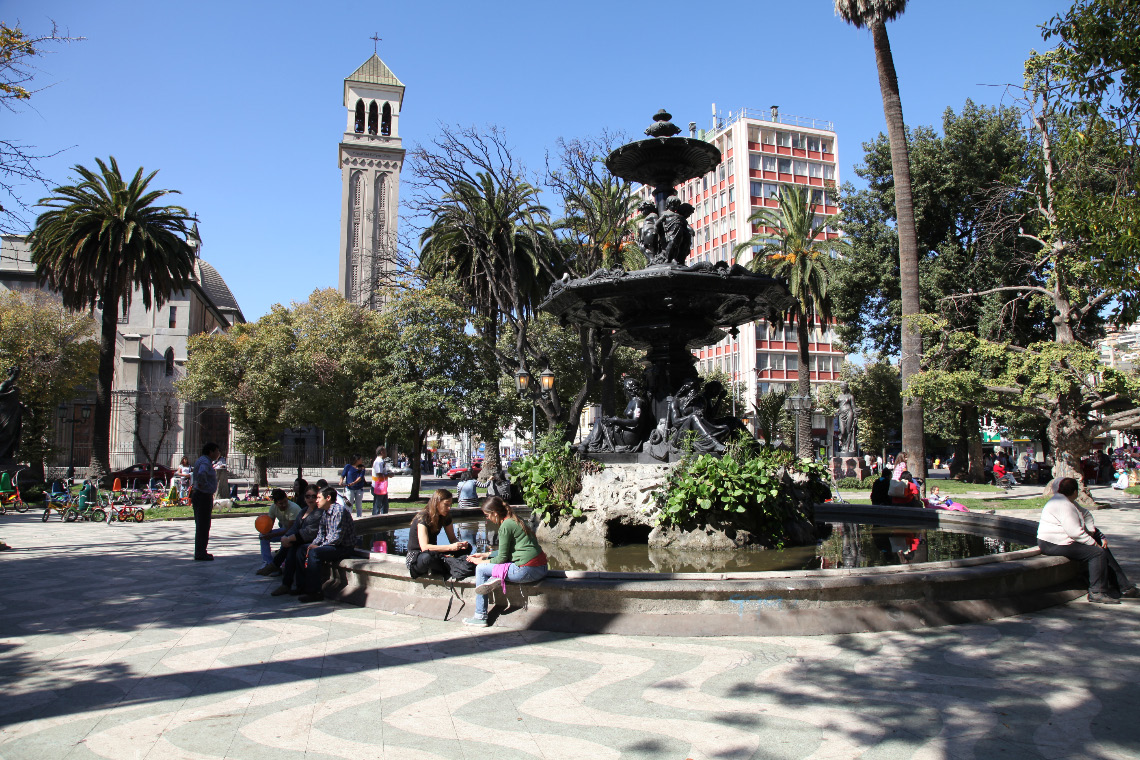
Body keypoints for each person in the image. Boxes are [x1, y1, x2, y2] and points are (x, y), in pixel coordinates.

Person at [1037, 477, 1137, 604]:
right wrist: (1093, 543)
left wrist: (1095, 534)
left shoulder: (1068, 501)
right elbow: (1074, 532)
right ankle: (1096, 592)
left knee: (1101, 547)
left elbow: (1086, 515)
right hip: (1054, 544)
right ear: (1075, 492)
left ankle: (1124, 587)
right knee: (1097, 553)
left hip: (1064, 539)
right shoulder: (1063, 505)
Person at [464, 496, 548, 627]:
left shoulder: (505, 526)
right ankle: (496, 576)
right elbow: (509, 552)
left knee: (480, 569)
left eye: (487, 515)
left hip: (526, 570)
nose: (486, 518)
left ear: (495, 513)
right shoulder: (516, 519)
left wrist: (480, 562)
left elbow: (502, 558)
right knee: (496, 565)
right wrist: (486, 554)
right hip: (542, 568)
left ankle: (480, 616)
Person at [298, 486, 358, 603]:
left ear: (328, 498)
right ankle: (302, 587)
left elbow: (336, 538)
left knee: (315, 553)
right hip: (331, 545)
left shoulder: (339, 511)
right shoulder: (325, 512)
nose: (316, 500)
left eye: (319, 497)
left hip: (343, 547)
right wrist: (313, 544)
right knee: (302, 549)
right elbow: (321, 533)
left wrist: (318, 547)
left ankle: (315, 592)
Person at [405, 489, 470, 578]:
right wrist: (450, 548)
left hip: (434, 553)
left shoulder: (446, 516)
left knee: (467, 548)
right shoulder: (423, 518)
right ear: (437, 503)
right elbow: (424, 547)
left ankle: (445, 563)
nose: (449, 508)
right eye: (446, 504)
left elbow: (452, 539)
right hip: (418, 555)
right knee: (428, 558)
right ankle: (447, 563)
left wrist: (459, 544)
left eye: (450, 505)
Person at [271, 485, 323, 596]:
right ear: (304, 498)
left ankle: (278, 570)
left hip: (314, 540)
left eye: (313, 496)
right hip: (300, 539)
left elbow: (310, 532)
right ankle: (287, 584)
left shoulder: (319, 512)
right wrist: (286, 537)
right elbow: (295, 527)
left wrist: (289, 538)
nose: (310, 499)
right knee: (291, 548)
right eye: (308, 496)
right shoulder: (304, 510)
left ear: (318, 497)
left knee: (294, 549)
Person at [255, 488, 301, 576]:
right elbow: (269, 525)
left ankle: (278, 564)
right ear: (276, 503)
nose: (284, 505)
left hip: (294, 533)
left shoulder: (294, 508)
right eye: (281, 503)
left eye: (285, 502)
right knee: (263, 535)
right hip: (284, 530)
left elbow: (290, 530)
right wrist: (266, 533)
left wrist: (273, 535)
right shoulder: (273, 508)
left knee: (285, 537)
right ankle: (268, 563)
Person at [191, 443, 222, 560]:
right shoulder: (205, 462)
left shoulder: (202, 460)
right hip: (203, 496)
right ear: (211, 452)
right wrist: (205, 486)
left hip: (200, 495)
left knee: (201, 525)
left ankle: (200, 551)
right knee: (203, 525)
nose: (219, 453)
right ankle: (200, 553)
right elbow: (202, 474)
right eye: (217, 451)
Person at [371, 446, 391, 515]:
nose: (386, 452)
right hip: (378, 487)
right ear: (382, 452)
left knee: (385, 506)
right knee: (377, 506)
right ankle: (375, 519)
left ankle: (384, 519)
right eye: (385, 451)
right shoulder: (378, 462)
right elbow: (379, 475)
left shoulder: (381, 461)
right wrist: (388, 475)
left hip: (382, 487)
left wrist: (387, 474)